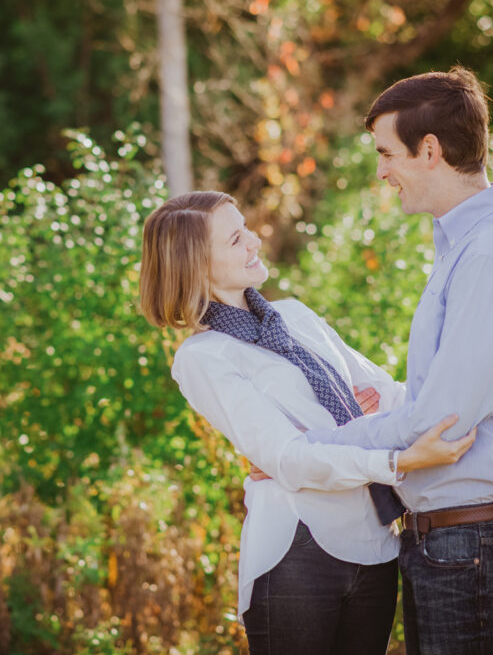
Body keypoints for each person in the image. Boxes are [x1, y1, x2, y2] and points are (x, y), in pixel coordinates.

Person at [139, 190, 476, 654]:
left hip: (377, 545)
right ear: (196, 264)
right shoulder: (204, 357)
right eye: (236, 239)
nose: (255, 241)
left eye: (247, 229)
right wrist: (398, 459)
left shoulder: (295, 317)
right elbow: (289, 461)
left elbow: (395, 396)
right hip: (297, 553)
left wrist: (335, 436)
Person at [295, 67, 493, 653]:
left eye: (387, 154)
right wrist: (385, 404)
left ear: (430, 150)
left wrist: (309, 451)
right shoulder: (462, 249)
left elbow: (442, 420)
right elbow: (433, 397)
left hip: (476, 546)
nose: (382, 171)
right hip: (452, 546)